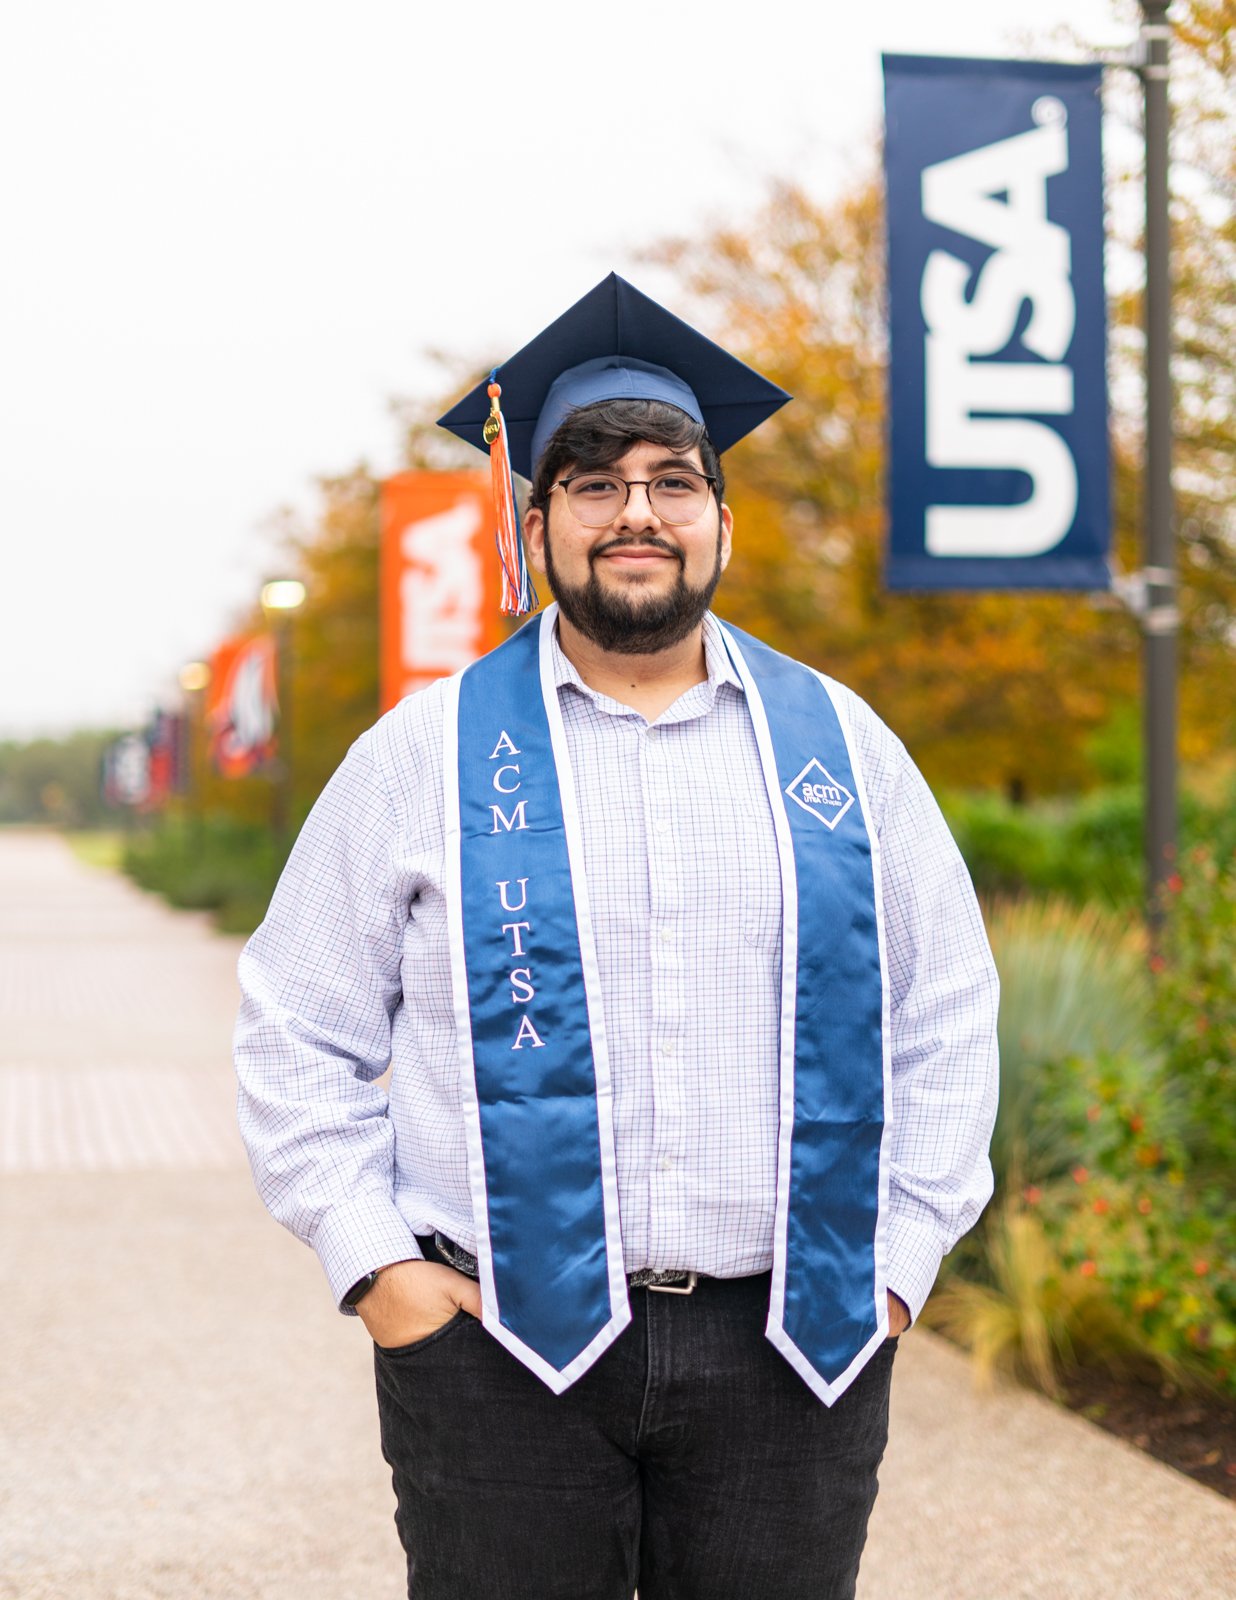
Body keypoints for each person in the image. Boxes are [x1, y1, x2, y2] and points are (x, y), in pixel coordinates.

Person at [235, 272, 999, 1600]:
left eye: (670, 481)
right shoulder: (426, 754)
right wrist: (382, 1278)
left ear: (720, 520)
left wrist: (893, 1274)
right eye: (592, 483)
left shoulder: (843, 751)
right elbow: (294, 1032)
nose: (635, 511)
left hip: (793, 1347)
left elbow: (945, 1019)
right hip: (495, 1357)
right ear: (533, 523)